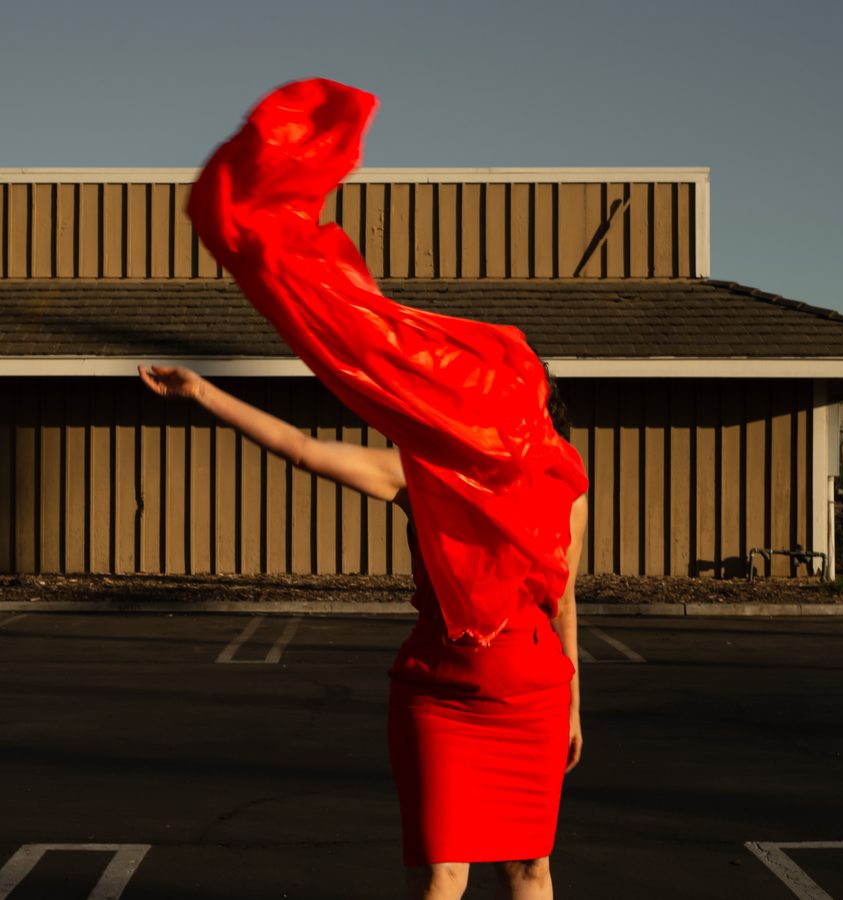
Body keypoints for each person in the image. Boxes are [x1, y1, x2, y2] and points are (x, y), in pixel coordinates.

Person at [138, 362, 586, 899]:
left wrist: (574, 706)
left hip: (533, 698)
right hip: (441, 697)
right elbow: (302, 449)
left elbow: (561, 602)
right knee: (440, 873)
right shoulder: (422, 472)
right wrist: (202, 392)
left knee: (529, 868)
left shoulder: (563, 483)